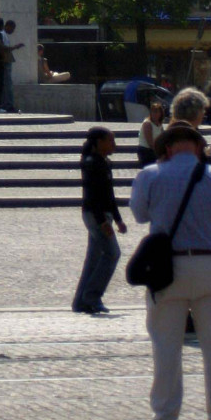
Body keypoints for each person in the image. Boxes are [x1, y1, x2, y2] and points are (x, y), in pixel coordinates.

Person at [130, 119, 211, 420]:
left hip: (168, 270)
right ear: (198, 148)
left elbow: (139, 215)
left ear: (167, 149)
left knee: (166, 346)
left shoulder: (150, 175)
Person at [72, 126, 126, 314]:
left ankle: (80, 301)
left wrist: (118, 219)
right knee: (112, 253)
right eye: (110, 140)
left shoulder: (103, 162)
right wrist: (102, 221)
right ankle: (92, 296)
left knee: (94, 258)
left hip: (101, 214)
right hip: (96, 215)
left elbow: (109, 195)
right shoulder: (92, 163)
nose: (114, 145)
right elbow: (93, 195)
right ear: (99, 142)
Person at [0, 19, 24, 112]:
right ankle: (8, 105)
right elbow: (4, 49)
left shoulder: (4, 35)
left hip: (6, 62)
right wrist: (15, 47)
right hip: (5, 62)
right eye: (12, 29)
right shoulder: (2, 34)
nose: (13, 31)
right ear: (8, 26)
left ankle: (6, 104)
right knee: (8, 85)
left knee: (7, 85)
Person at [137, 98, 166, 168]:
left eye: (157, 112)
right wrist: (159, 152)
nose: (155, 114)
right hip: (146, 151)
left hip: (155, 150)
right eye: (153, 112)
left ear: (160, 113)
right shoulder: (148, 123)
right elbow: (150, 142)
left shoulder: (160, 124)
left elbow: (162, 138)